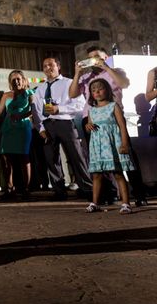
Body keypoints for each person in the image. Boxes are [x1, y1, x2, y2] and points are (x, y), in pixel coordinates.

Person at [69, 45, 147, 207]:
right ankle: (107, 194)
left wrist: (105, 67)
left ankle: (139, 194)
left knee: (125, 155)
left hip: (113, 116)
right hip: (91, 118)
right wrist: (77, 73)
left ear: (105, 57)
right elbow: (72, 94)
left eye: (96, 56)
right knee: (98, 157)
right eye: (91, 57)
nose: (93, 60)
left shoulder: (116, 71)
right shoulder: (87, 76)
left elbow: (124, 84)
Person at [32, 57, 92, 201]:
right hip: (47, 125)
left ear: (58, 66)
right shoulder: (40, 88)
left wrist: (60, 109)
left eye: (51, 65)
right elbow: (37, 110)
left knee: (76, 156)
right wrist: (40, 128)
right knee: (51, 159)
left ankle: (86, 188)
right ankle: (59, 191)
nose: (48, 68)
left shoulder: (69, 83)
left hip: (66, 122)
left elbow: (80, 105)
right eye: (45, 66)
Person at [84, 79, 134, 214]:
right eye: (93, 90)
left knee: (118, 173)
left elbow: (122, 127)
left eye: (100, 89)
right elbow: (90, 126)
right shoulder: (92, 110)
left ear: (107, 90)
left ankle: (126, 204)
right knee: (97, 175)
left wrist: (124, 144)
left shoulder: (114, 106)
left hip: (112, 145)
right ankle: (94, 203)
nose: (97, 92)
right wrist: (88, 126)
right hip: (97, 146)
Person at [0, 70, 35, 199]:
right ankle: (9, 188)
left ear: (23, 80)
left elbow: (34, 110)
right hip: (8, 128)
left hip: (23, 127)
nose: (16, 81)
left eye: (18, 79)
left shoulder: (29, 93)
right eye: (13, 79)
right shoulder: (6, 95)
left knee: (24, 158)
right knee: (6, 159)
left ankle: (26, 189)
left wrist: (21, 115)